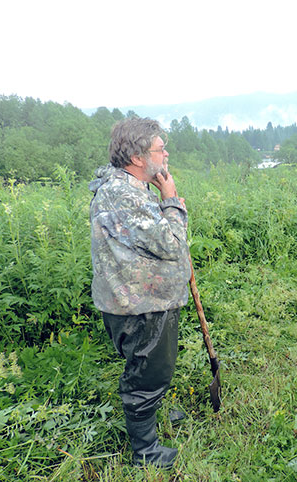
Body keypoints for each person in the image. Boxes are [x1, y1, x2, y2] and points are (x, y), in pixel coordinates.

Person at [89, 117, 191, 469]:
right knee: (147, 376)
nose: (166, 155)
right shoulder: (123, 196)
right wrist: (172, 200)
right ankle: (145, 451)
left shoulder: (132, 188)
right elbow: (171, 243)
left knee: (151, 369)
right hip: (140, 307)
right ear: (136, 156)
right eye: (160, 149)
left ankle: (149, 422)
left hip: (145, 300)